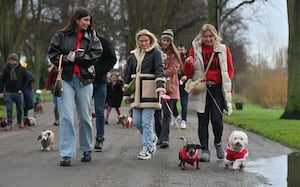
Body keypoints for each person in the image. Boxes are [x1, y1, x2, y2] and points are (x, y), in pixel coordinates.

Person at [48, 7, 102, 166]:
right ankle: (66, 153)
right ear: (77, 20)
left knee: (85, 116)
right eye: (85, 20)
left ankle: (86, 148)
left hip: (84, 80)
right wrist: (67, 58)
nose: (88, 23)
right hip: (65, 79)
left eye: (89, 20)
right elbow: (52, 54)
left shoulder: (92, 37)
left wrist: (80, 57)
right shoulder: (60, 35)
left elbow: (96, 54)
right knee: (66, 117)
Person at [184, 24, 234, 162]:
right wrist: (188, 63)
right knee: (203, 120)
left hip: (217, 88)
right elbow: (189, 72)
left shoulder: (223, 50)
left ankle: (218, 143)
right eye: (205, 36)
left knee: (217, 120)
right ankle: (205, 150)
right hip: (201, 89)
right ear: (201, 37)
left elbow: (229, 69)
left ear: (215, 36)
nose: (208, 39)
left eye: (211, 36)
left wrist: (227, 82)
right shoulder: (195, 50)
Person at [123, 29, 165, 160]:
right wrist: (126, 94)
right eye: (141, 41)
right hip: (136, 92)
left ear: (150, 40)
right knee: (137, 121)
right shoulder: (133, 55)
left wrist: (160, 87)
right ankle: (152, 138)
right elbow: (127, 75)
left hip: (150, 90)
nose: (143, 43)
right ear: (138, 42)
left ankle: (147, 148)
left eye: (146, 40)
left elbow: (159, 70)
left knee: (147, 122)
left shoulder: (156, 53)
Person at [154, 29, 181, 148]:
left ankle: (165, 138)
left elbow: (174, 68)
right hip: (157, 85)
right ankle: (159, 135)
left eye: (167, 41)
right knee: (156, 112)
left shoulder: (174, 54)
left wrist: (161, 73)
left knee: (167, 112)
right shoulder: (156, 51)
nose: (165, 42)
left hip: (171, 87)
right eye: (164, 40)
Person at [93, 35, 117, 151]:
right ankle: (86, 139)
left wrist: (99, 71)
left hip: (99, 81)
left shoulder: (102, 41)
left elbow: (112, 58)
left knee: (99, 110)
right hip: (83, 81)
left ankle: (99, 138)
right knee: (84, 112)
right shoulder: (79, 40)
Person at [0, 53, 29, 130]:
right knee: (9, 108)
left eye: (13, 60)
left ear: (16, 61)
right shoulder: (6, 69)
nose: (12, 62)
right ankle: (9, 124)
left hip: (18, 92)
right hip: (9, 92)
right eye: (10, 60)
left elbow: (27, 79)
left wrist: (22, 89)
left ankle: (20, 122)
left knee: (20, 108)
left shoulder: (22, 69)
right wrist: (1, 92)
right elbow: (2, 81)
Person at [174, 44, 189, 129]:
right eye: (178, 49)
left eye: (181, 49)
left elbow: (191, 70)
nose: (180, 51)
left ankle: (183, 120)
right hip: (175, 83)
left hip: (185, 83)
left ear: (185, 50)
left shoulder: (188, 59)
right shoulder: (175, 58)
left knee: (184, 103)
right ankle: (176, 115)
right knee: (173, 102)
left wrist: (186, 76)